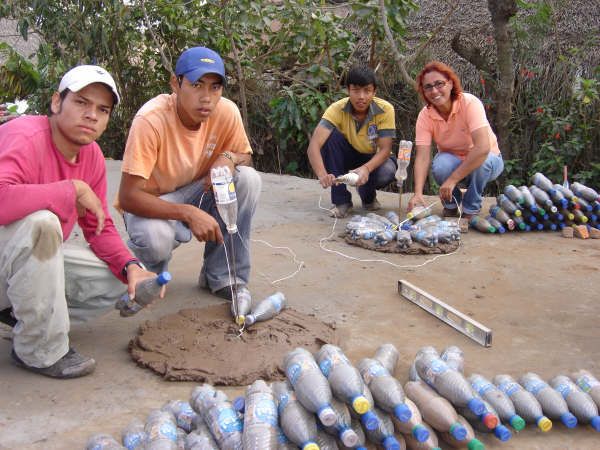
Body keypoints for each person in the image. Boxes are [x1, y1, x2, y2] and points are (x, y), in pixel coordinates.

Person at [0, 65, 158, 379]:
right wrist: (70, 189)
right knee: (42, 224)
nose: (91, 115)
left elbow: (99, 228)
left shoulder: (92, 156)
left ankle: (24, 313)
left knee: (119, 281)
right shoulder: (24, 135)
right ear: (56, 102)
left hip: (14, 265)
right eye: (82, 103)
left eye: (102, 109)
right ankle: (39, 350)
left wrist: (131, 266)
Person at [117, 46, 261, 302]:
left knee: (248, 180)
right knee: (155, 239)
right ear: (176, 83)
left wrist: (228, 158)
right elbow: (128, 197)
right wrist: (188, 213)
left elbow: (245, 156)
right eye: (197, 85)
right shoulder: (151, 120)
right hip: (153, 202)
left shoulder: (226, 112)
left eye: (215, 87)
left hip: (197, 191)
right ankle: (138, 272)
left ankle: (224, 276)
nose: (206, 97)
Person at [408, 61, 504, 219]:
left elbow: (482, 148)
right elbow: (423, 156)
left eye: (439, 84)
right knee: (440, 165)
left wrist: (452, 180)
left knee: (483, 161)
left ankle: (471, 208)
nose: (434, 91)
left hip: (488, 161)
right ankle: (451, 205)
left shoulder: (469, 103)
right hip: (454, 161)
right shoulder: (425, 116)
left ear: (451, 84)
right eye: (428, 87)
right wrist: (418, 193)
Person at [307, 65, 397, 218]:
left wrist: (366, 169)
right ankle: (342, 202)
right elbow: (314, 146)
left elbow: (385, 150)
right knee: (331, 138)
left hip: (373, 157)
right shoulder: (336, 109)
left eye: (367, 91)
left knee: (387, 171)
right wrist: (322, 174)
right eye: (355, 90)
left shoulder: (386, 109)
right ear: (348, 90)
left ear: (374, 92)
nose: (361, 96)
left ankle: (368, 197)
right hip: (349, 155)